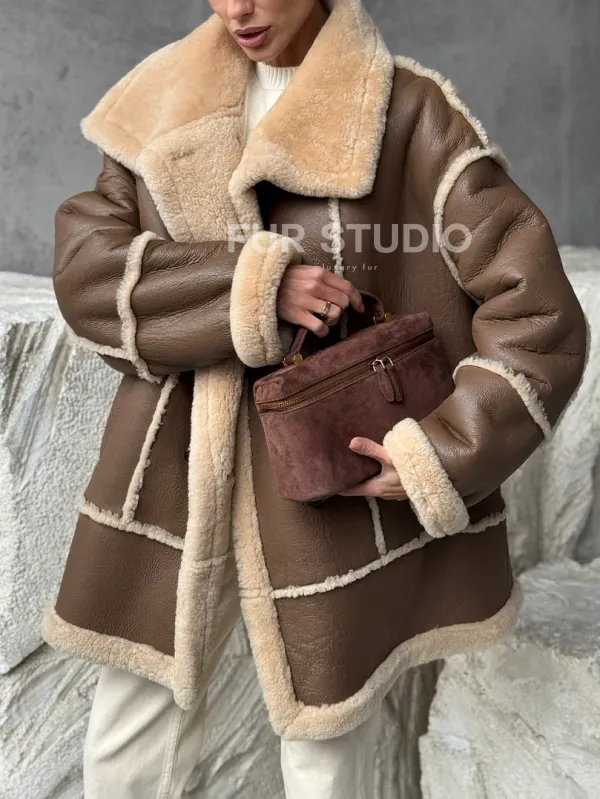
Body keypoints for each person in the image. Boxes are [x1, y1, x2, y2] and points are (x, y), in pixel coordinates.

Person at [42, 0, 588, 797]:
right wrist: (252, 288)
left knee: (326, 761)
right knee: (125, 748)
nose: (236, 8)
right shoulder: (158, 103)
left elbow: (538, 314)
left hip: (332, 500)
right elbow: (88, 274)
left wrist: (442, 450)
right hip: (175, 484)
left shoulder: (407, 114)